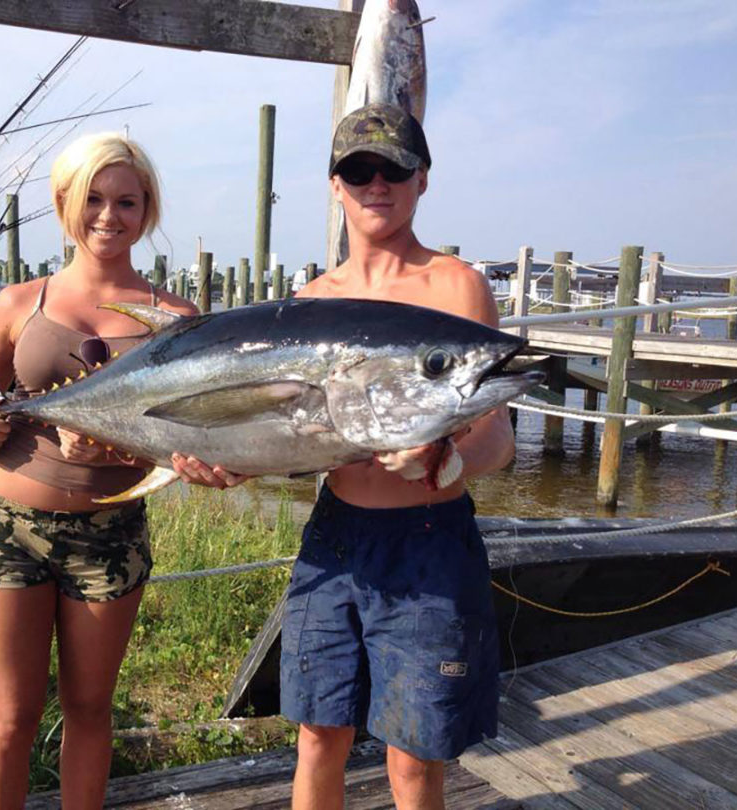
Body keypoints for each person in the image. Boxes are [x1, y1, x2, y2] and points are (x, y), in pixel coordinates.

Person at [172, 103, 509, 810]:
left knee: (415, 755)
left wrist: (445, 462)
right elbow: (288, 437)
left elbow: (497, 437)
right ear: (334, 185)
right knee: (318, 735)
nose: (376, 184)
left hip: (429, 544)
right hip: (333, 537)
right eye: (359, 170)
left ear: (423, 180)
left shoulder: (456, 288)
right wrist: (230, 464)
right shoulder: (309, 302)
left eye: (394, 168)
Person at [0, 132, 197, 810]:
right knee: (9, 717)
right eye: (92, 198)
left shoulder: (175, 321)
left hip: (109, 537)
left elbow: (175, 437)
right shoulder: (17, 303)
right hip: (9, 529)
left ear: (147, 209)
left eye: (126, 201)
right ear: (64, 201)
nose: (108, 217)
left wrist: (119, 453)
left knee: (90, 709)